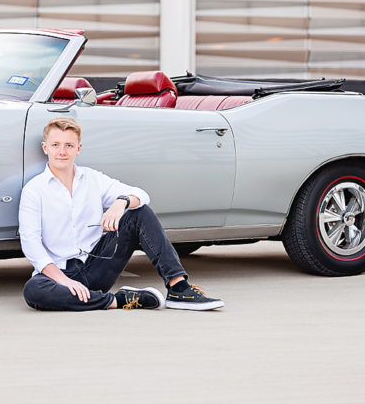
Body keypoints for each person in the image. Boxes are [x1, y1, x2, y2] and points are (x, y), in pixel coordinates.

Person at [19, 117, 224, 311]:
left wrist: (121, 202)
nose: (62, 151)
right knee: (34, 291)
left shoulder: (92, 179)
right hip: (58, 274)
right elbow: (31, 243)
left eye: (69, 145)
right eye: (56, 145)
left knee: (138, 212)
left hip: (98, 265)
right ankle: (119, 300)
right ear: (45, 148)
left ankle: (179, 289)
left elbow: (141, 194)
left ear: (78, 149)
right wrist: (64, 281)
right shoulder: (34, 190)